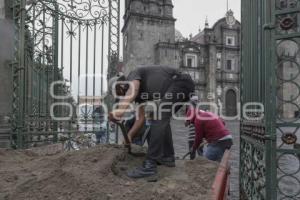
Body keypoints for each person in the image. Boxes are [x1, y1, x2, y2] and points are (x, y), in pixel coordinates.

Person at [108, 65, 195, 178]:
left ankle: (150, 166)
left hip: (179, 81)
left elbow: (132, 90)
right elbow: (141, 118)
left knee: (158, 117)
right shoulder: (139, 95)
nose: (121, 97)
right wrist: (129, 135)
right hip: (181, 85)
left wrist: (119, 111)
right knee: (160, 117)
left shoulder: (133, 75)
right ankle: (167, 158)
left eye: (119, 93)